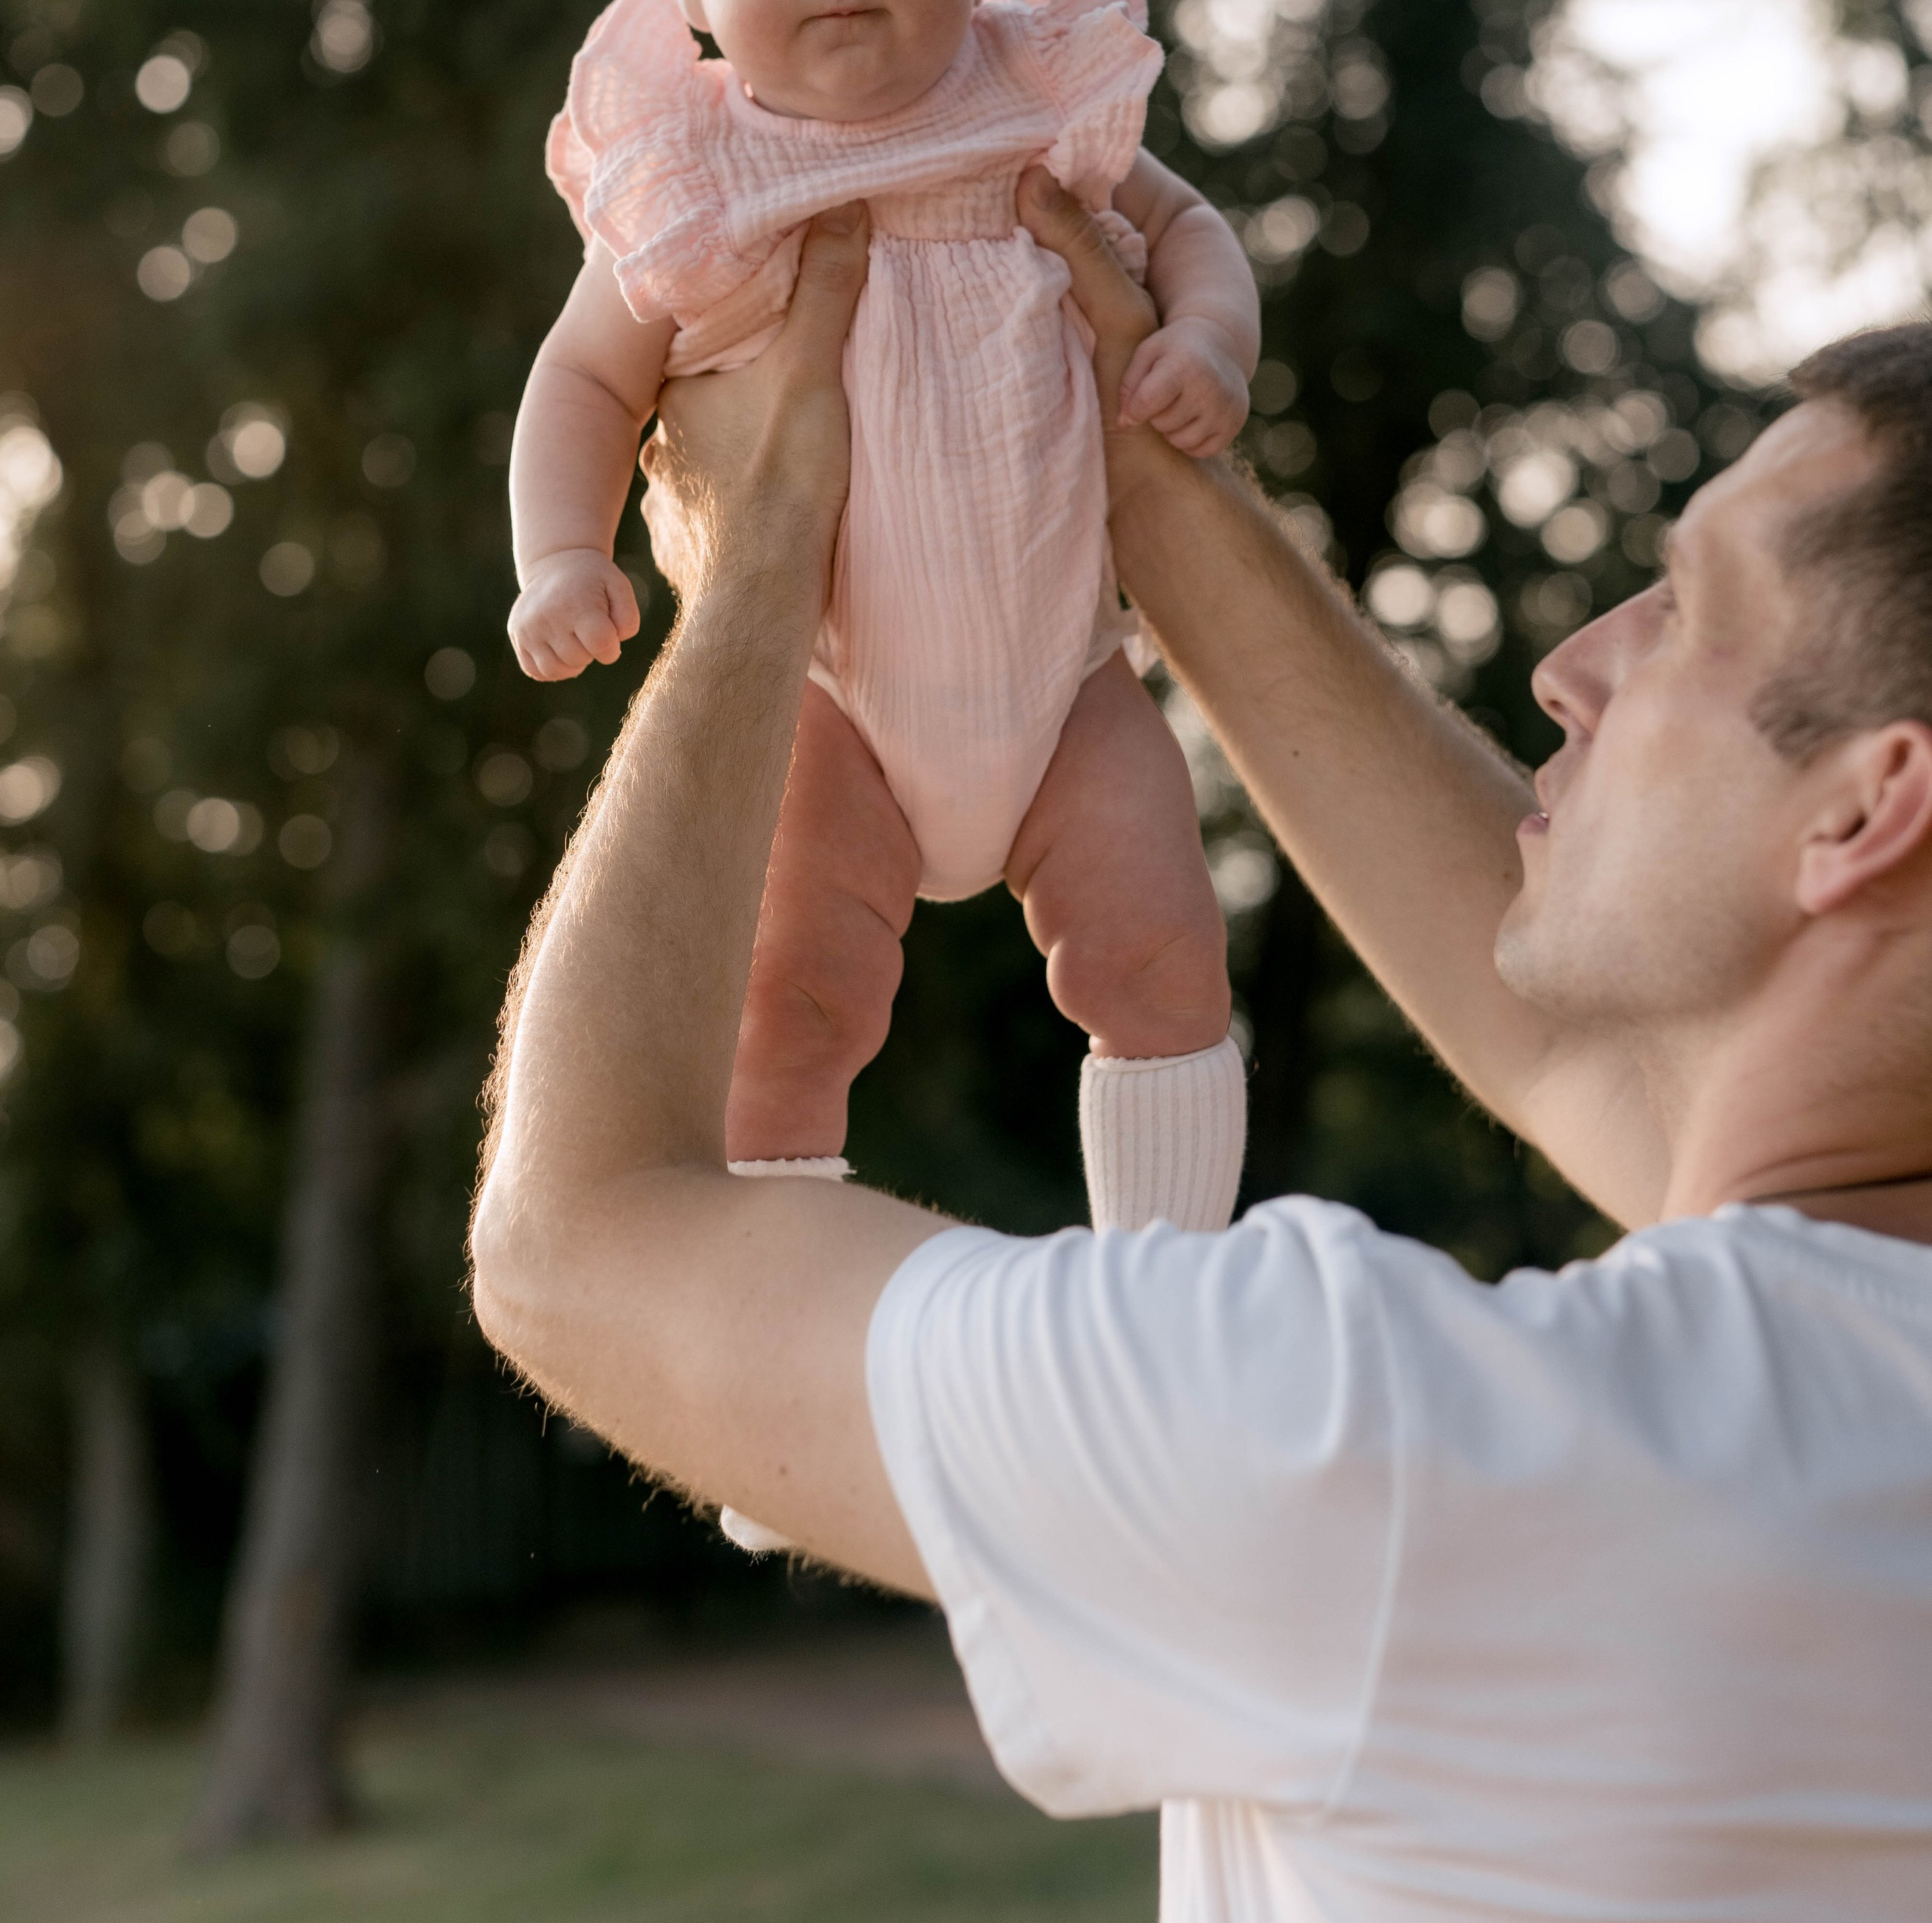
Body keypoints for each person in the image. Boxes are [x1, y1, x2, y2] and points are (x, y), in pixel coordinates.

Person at [471, 184, 1932, 1921]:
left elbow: (580, 1243)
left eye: (1681, 610)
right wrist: (1133, 466)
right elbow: (1564, 1047)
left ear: (1865, 810)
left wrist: (766, 542)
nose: (1571, 666)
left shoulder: (1398, 1459)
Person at [507, 0, 1260, 1305]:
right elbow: (583, 378)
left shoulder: (1034, 99)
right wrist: (560, 553)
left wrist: (1205, 343)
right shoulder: (700, 170)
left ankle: (1169, 1299)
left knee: (1160, 956)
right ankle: (776, 1319)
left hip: (1066, 674)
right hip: (825, 692)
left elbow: (1192, 228)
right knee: (788, 1008)